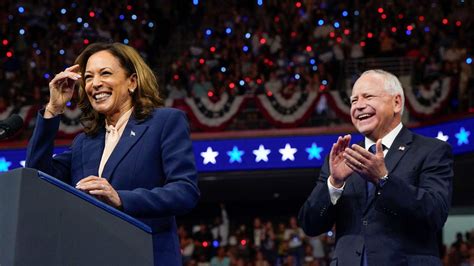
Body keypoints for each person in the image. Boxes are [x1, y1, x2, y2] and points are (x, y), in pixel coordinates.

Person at [26, 42, 200, 265]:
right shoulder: (83, 143)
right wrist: (53, 109)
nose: (95, 84)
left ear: (132, 82)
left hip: (147, 257)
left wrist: (121, 199)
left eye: (105, 73)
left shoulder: (165, 122)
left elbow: (185, 191)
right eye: (88, 77)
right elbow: (36, 177)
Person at [298, 69, 453, 265]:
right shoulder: (341, 158)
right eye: (353, 101)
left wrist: (384, 180)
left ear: (396, 103)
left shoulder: (431, 151)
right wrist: (334, 184)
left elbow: (435, 214)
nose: (359, 106)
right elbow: (310, 225)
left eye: (368, 97)